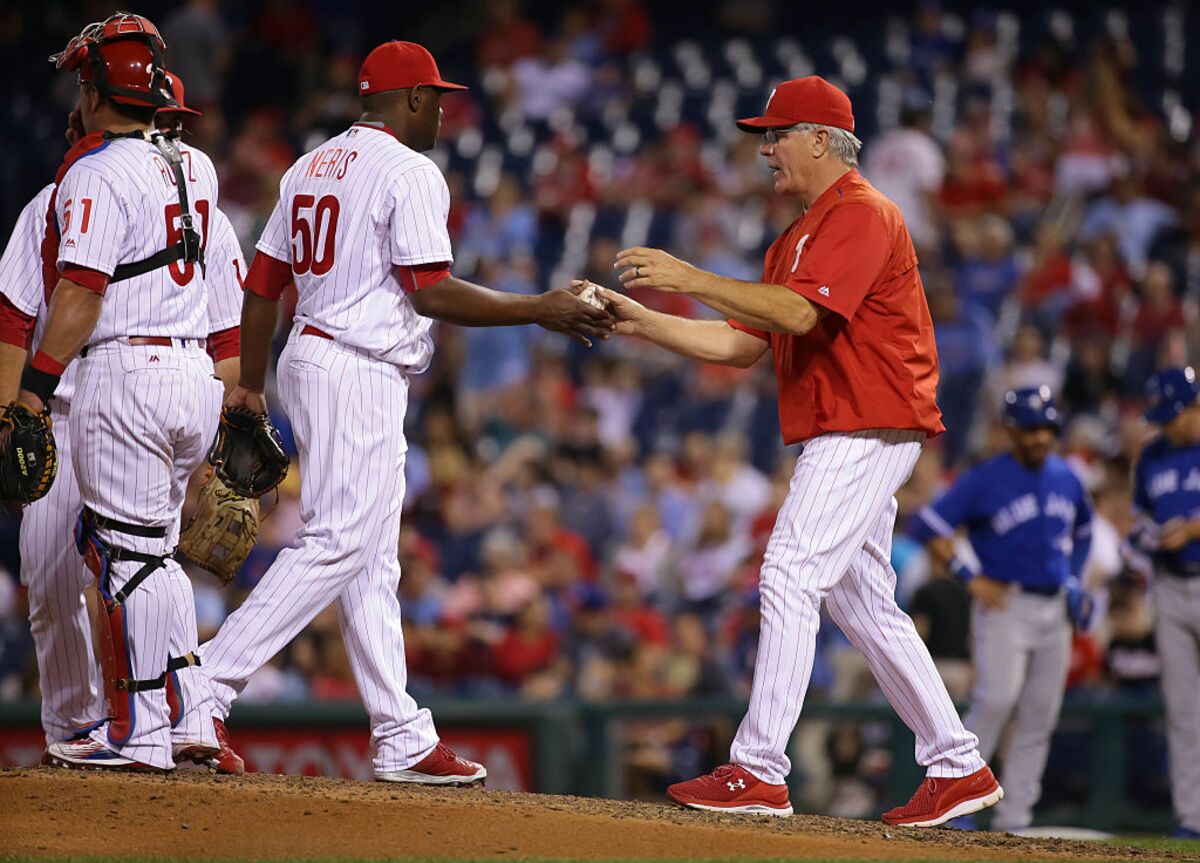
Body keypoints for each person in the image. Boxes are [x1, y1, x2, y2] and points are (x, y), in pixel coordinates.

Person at [184, 40, 612, 784]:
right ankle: (204, 685)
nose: (443, 110)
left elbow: (261, 284)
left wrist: (250, 384)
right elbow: (431, 289)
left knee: (372, 558)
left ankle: (399, 732)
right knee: (339, 540)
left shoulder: (308, 164)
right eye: (436, 98)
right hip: (357, 365)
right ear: (410, 100)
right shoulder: (411, 171)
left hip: (312, 355)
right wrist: (538, 307)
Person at [594, 75, 999, 826]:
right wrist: (643, 321)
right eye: (764, 137)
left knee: (787, 569)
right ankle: (957, 761)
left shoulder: (863, 212)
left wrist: (689, 276)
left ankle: (759, 768)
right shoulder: (797, 235)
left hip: (866, 422)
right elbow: (741, 343)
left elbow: (798, 312)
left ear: (821, 140)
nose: (766, 150)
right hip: (852, 425)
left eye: (777, 135)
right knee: (861, 598)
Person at [0, 69, 248, 774]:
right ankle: (101, 721)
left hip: (123, 397)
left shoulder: (205, 213)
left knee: (130, 562)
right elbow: (13, 317)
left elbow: (225, 337)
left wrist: (210, 453)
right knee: (59, 582)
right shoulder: (53, 202)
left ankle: (145, 723)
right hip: (71, 411)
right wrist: (16, 410)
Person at [910, 387, 1094, 832]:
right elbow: (927, 525)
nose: (1039, 437)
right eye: (1030, 429)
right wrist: (968, 576)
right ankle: (959, 800)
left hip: (1054, 607)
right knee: (994, 702)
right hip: (1005, 604)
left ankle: (1016, 819)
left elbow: (1085, 529)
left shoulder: (1066, 477)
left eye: (1046, 428)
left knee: (1040, 715)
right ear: (1010, 430)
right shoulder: (985, 478)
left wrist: (1073, 577)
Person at [1129, 368, 1200, 839]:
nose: (1167, 426)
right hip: (1171, 586)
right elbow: (1138, 520)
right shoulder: (1151, 457)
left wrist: (1195, 528)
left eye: (1174, 416)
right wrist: (1146, 537)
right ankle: (1191, 818)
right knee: (1182, 709)